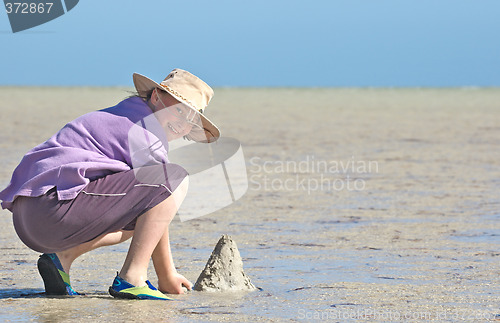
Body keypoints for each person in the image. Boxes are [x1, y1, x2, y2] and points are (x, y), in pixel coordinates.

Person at [0, 69, 220, 300]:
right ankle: (132, 278)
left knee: (141, 220)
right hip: (51, 209)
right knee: (176, 178)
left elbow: (153, 208)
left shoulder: (122, 115)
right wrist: (166, 276)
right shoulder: (143, 133)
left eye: (191, 119)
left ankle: (61, 258)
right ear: (156, 96)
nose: (182, 123)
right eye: (178, 110)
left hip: (29, 215)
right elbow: (162, 194)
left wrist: (167, 274)